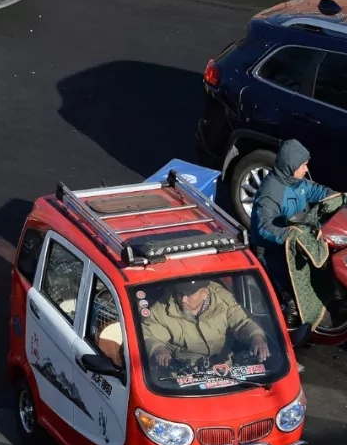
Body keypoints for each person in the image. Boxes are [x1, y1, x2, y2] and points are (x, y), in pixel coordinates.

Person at [249, 139, 336, 325]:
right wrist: (289, 234)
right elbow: (264, 227)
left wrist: (337, 199)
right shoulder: (271, 193)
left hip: (299, 241)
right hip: (274, 250)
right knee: (292, 293)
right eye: (303, 166)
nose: (306, 169)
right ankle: (289, 327)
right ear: (291, 166)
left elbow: (317, 192)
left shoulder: (298, 182)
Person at [140, 278, 270, 368]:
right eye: (180, 294)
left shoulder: (223, 300)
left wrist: (256, 337)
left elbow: (242, 322)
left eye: (189, 295)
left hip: (225, 368)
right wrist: (158, 349)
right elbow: (149, 335)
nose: (183, 299)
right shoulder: (162, 309)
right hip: (183, 375)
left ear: (204, 293)